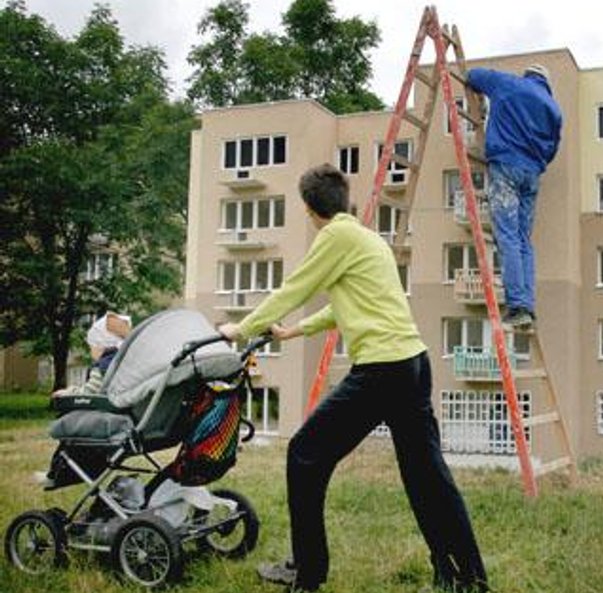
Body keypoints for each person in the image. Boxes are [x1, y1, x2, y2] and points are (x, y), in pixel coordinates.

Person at [218, 164, 488, 593]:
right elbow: (347, 304)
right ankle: (464, 576)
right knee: (426, 474)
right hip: (413, 364)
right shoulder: (367, 238)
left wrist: (242, 328)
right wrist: (293, 331)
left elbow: (295, 288)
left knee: (305, 453)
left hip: (382, 370)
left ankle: (306, 573)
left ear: (310, 209)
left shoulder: (336, 237)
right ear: (343, 201)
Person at [466, 63, 562, 328]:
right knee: (522, 239)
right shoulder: (553, 108)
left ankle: (517, 304)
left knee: (507, 235)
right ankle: (527, 306)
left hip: (506, 167)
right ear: (546, 82)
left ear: (528, 75)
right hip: (532, 175)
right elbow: (552, 150)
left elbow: (473, 76)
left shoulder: (508, 84)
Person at [53, 312, 131, 396]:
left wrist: (69, 392)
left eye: (92, 346)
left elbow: (89, 392)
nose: (91, 351)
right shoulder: (126, 361)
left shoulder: (105, 364)